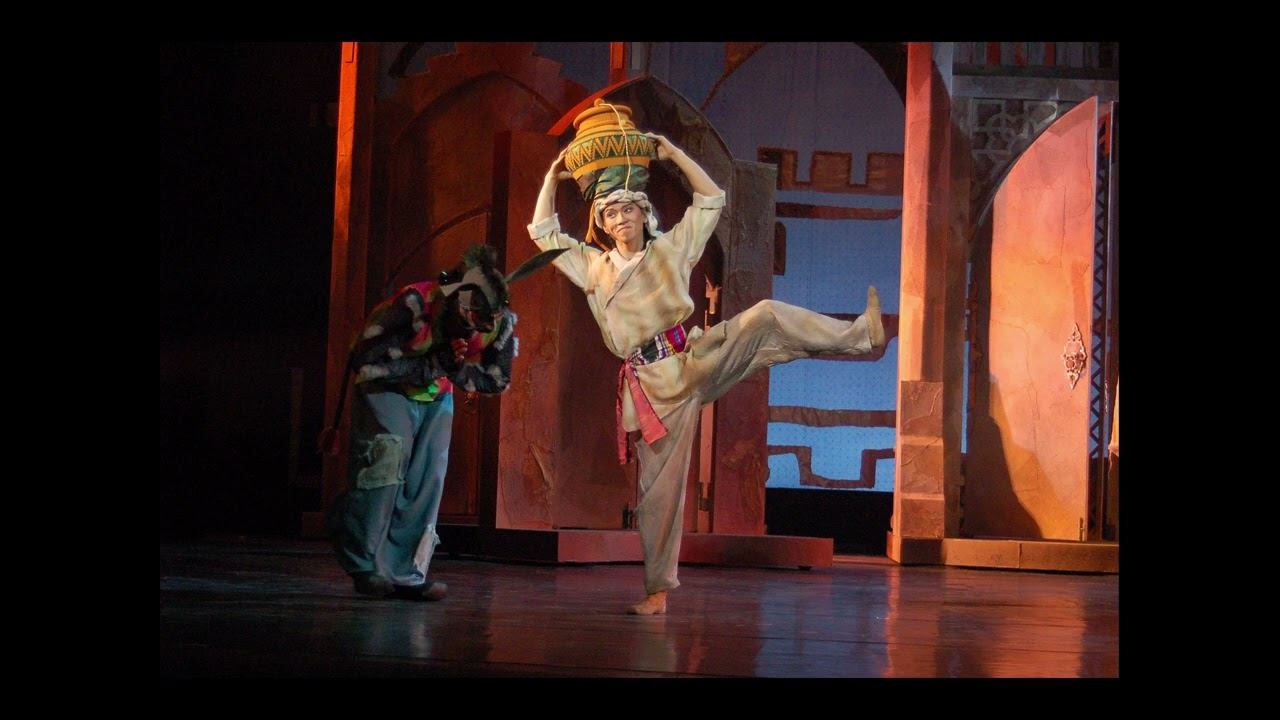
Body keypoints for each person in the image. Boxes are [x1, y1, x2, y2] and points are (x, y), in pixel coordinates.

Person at [528, 132, 885, 615]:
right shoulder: (594, 267)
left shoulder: (671, 249)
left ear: (643, 213)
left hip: (694, 358)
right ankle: (657, 591)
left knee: (765, 316)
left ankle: (860, 336)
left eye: (627, 209)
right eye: (610, 214)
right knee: (657, 495)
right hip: (654, 387)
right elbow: (544, 233)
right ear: (603, 224)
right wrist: (552, 177)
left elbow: (711, 197)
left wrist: (674, 154)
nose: (620, 219)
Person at [324, 244, 564, 601]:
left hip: (436, 393)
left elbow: (496, 378)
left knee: (428, 479)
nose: (476, 324)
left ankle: (407, 572)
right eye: (470, 315)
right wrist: (433, 365)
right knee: (385, 468)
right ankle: (364, 563)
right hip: (387, 387)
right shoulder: (416, 304)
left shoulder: (498, 323)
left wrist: (452, 370)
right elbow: (367, 359)